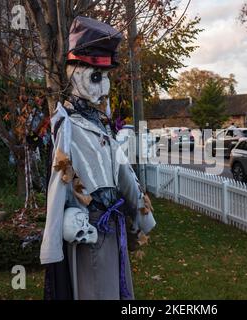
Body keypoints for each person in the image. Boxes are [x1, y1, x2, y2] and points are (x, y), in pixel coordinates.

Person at [41, 16, 155, 300]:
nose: (103, 88)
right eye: (95, 77)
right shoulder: (67, 123)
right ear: (76, 73)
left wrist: (143, 213)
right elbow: (60, 179)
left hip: (112, 227)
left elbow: (122, 170)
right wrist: (52, 245)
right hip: (89, 228)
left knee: (115, 290)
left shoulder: (100, 122)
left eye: (105, 77)